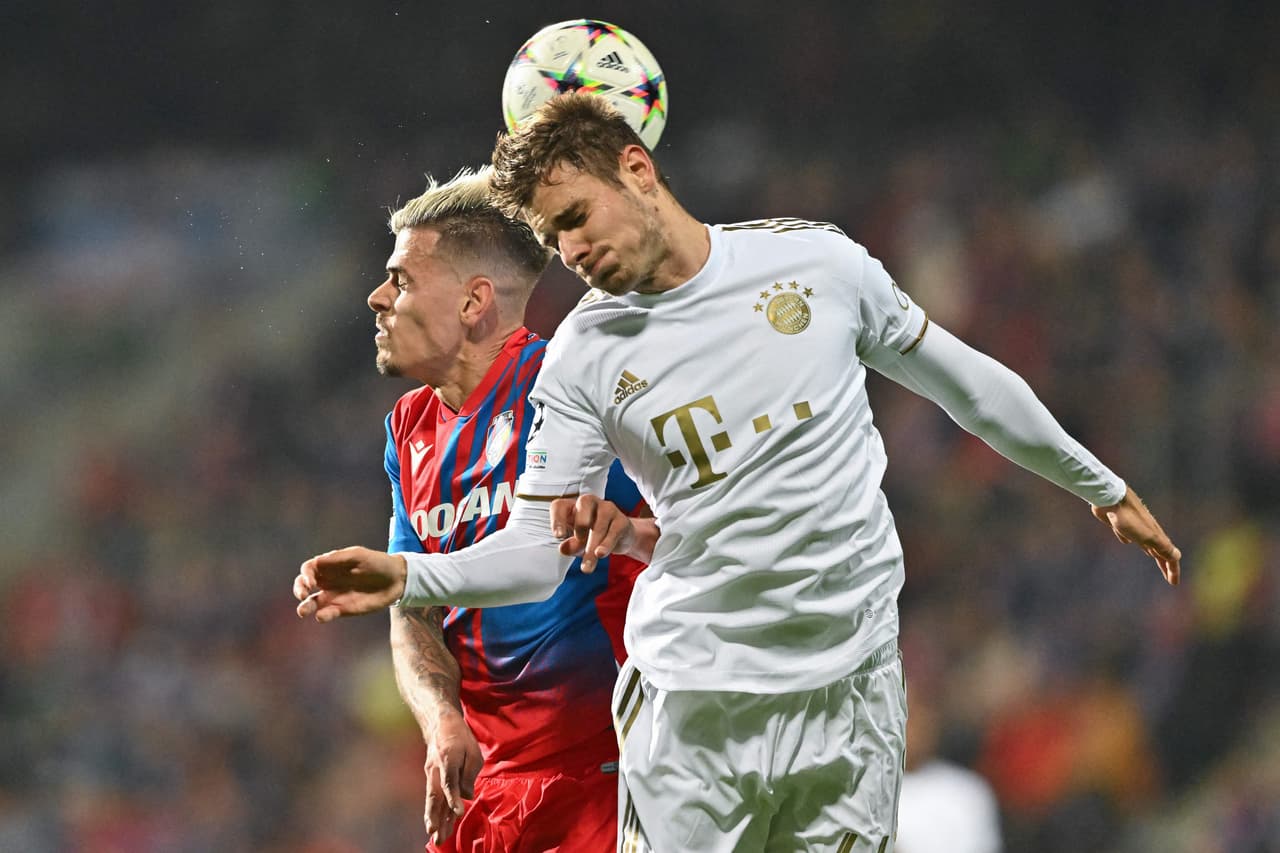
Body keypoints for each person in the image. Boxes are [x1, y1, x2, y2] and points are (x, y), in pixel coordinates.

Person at [295, 93, 1180, 851]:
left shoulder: (814, 266)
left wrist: (1100, 485)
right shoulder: (584, 357)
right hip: (695, 704)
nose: (571, 252)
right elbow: (538, 551)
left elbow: (965, 383)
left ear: (637, 170)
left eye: (576, 219)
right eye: (552, 237)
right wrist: (410, 574)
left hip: (851, 692)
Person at [351, 166, 655, 851]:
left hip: (611, 777)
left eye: (400, 280)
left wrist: (631, 531)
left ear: (472, 301)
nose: (376, 297)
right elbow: (413, 604)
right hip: (494, 791)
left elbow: (698, 542)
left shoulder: (573, 388)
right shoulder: (411, 428)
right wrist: (442, 722)